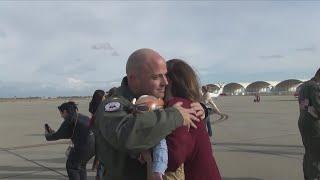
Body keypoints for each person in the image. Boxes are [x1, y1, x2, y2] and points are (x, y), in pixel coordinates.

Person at [93, 48, 205, 180]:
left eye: (165, 75)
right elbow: (126, 134)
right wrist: (174, 116)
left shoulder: (152, 99)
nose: (165, 82)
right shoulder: (114, 105)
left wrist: (201, 108)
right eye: (156, 77)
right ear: (134, 80)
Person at [164, 59, 221, 180]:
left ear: (168, 80)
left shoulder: (178, 105)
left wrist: (145, 153)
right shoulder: (189, 104)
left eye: (160, 77)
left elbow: (173, 158)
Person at [45, 101, 95, 180]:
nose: (61, 116)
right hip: (93, 147)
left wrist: (48, 135)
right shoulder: (82, 116)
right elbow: (69, 133)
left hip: (83, 147)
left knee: (72, 166)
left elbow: (58, 135)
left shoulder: (70, 119)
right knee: (81, 166)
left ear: (65, 111)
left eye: (61, 113)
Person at [298, 68, 320, 180]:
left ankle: (308, 176)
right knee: (316, 153)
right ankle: (314, 177)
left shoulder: (304, 86)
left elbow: (304, 104)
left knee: (309, 152)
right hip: (313, 124)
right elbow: (318, 105)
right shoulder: (315, 87)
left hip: (303, 121)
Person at [88, 90, 105, 180]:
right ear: (100, 97)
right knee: (101, 152)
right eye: (103, 95)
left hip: (93, 127)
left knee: (98, 150)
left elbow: (92, 114)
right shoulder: (102, 106)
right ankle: (98, 172)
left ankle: (95, 166)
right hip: (100, 129)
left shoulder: (92, 104)